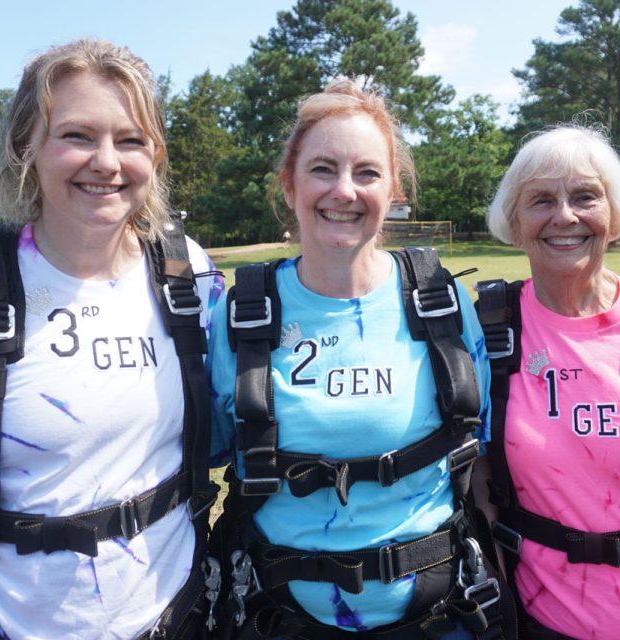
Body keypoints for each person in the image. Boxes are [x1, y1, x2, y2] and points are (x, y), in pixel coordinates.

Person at [208, 79, 498, 639]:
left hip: (437, 618)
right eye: (323, 169)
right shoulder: (242, 314)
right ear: (289, 185)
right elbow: (208, 453)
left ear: (393, 191)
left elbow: (476, 447)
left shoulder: (439, 302)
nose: (344, 191)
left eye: (366, 172)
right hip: (284, 618)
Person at [0, 39, 224, 639]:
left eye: (130, 139)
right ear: (26, 149)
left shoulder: (186, 272)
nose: (107, 162)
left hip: (178, 613)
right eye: (77, 136)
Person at [478, 125, 620, 640]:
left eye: (585, 196)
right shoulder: (488, 329)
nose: (565, 216)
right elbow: (476, 475)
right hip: (539, 619)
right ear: (514, 224)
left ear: (613, 215)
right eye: (541, 200)